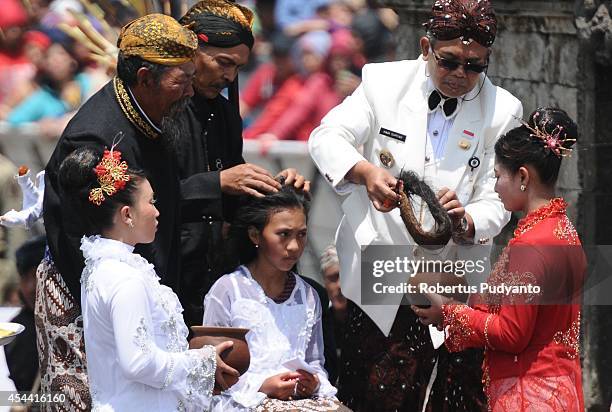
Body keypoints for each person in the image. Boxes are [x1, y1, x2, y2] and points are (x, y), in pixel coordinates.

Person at [308, 0, 523, 410]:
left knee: (451, 398)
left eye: (475, 66)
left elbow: (500, 199)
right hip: (379, 271)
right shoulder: (381, 83)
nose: (462, 75)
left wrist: (468, 219)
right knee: (371, 393)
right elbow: (326, 137)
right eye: (449, 62)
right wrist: (365, 172)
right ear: (425, 47)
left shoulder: (503, 110)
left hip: (451, 278)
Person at [38, 14, 198, 409]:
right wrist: (131, 304)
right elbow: (81, 237)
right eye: (182, 81)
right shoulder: (96, 137)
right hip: (87, 294)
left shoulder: (154, 117)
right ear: (145, 78)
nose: (191, 91)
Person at [413, 108, 585, 411]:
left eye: (497, 177)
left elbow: (512, 333)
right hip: (559, 391)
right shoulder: (564, 230)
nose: (494, 187)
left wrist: (450, 312)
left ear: (522, 177)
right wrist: (463, 296)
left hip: (528, 395)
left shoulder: (531, 244)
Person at [58, 146, 237, 411]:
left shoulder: (105, 266)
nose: (157, 211)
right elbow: (138, 362)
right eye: (151, 202)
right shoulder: (123, 277)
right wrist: (202, 361)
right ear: (127, 214)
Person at [177, 0, 309, 329]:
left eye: (237, 67)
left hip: (212, 275)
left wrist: (277, 190)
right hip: (166, 272)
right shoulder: (164, 109)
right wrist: (217, 182)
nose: (229, 76)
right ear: (191, 53)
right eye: (223, 62)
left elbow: (236, 197)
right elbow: (144, 196)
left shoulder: (223, 114)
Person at [202, 185, 347, 411]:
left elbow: (316, 362)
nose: (294, 246)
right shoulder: (228, 290)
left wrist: (313, 381)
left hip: (300, 402)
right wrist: (263, 386)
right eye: (283, 234)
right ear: (254, 235)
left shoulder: (308, 295)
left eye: (301, 234)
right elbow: (212, 371)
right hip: (244, 402)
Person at [4, 236, 45, 393]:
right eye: (24, 277)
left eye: (35, 276)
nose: (29, 288)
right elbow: (25, 396)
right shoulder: (15, 331)